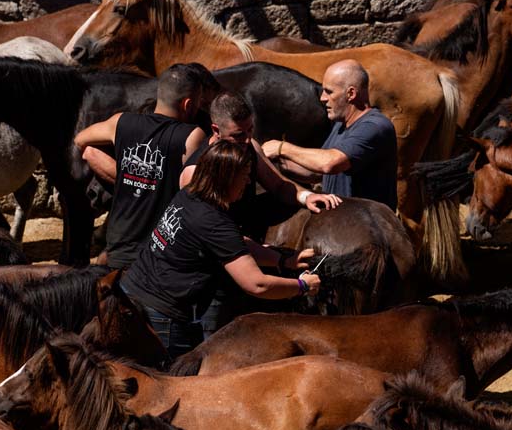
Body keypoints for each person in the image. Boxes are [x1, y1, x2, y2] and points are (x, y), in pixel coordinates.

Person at [120, 139, 322, 362]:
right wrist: (302, 286)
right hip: (163, 316)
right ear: (227, 178)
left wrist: (282, 260)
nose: (248, 182)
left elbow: (234, 245)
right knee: (173, 380)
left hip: (132, 294)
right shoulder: (213, 221)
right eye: (244, 176)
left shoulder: (189, 196)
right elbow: (257, 284)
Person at [180, 92, 340, 332]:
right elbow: (215, 241)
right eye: (238, 135)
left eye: (250, 130)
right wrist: (289, 272)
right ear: (215, 130)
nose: (246, 140)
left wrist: (305, 196)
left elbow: (278, 185)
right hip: (214, 277)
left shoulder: (249, 147)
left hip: (247, 253)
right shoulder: (195, 174)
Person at [73, 63, 208, 270]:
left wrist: (126, 174)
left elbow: (81, 141)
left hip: (119, 246)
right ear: (188, 104)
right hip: (162, 250)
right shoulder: (192, 136)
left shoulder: (121, 122)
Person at [261, 59, 398, 210]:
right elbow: (316, 173)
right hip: (342, 220)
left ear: (351, 93)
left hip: (369, 221)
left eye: (329, 92)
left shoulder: (374, 126)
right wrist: (273, 164)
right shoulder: (340, 126)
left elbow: (329, 164)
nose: (322, 98)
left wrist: (281, 148)